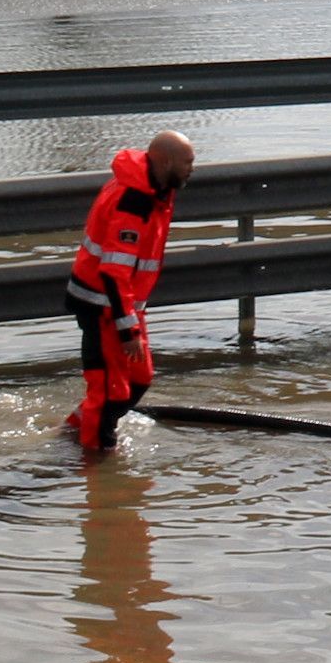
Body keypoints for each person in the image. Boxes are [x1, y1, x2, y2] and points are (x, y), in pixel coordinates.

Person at [64, 130, 197, 453]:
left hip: (122, 306)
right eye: (188, 162)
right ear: (165, 162)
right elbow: (114, 271)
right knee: (110, 393)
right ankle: (96, 468)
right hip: (103, 307)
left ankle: (75, 430)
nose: (193, 168)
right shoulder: (134, 201)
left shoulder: (157, 189)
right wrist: (128, 330)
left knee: (139, 378)